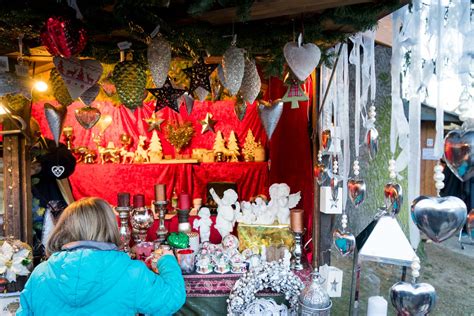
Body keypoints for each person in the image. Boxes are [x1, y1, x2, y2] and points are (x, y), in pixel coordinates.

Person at [17, 197, 186, 315]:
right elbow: (171, 299)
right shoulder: (130, 271)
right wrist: (167, 260)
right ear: (109, 226)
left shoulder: (41, 274)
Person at [30, 117, 76, 262]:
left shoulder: (54, 149)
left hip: (50, 208)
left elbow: (66, 163)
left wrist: (39, 166)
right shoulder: (9, 147)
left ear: (37, 134)